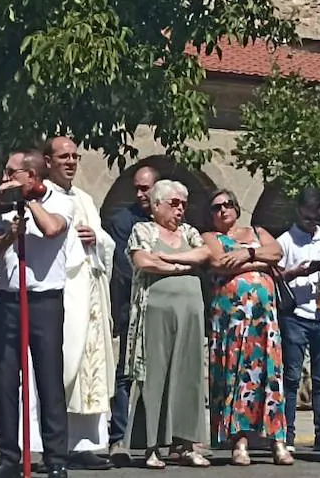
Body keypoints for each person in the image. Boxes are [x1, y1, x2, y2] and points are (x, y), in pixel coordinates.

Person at [0, 149, 72, 478]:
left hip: (44, 301)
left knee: (49, 379)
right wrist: (10, 235)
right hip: (8, 300)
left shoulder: (61, 201)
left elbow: (51, 229)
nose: (4, 178)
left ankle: (56, 458)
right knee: (5, 379)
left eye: (11, 172)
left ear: (31, 177)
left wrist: (29, 202)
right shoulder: (2, 205)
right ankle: (8, 455)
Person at [125, 180, 211, 468]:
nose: (180, 210)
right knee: (154, 376)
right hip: (155, 313)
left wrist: (170, 258)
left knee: (189, 376)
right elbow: (143, 261)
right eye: (174, 203)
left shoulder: (189, 232)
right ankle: (151, 446)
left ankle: (185, 444)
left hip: (190, 313)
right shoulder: (143, 230)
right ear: (157, 204)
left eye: (183, 204)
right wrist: (180, 266)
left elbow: (204, 254)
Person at [203, 189, 290, 466]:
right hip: (232, 320)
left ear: (237, 208)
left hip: (264, 320)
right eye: (216, 208)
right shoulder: (210, 238)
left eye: (228, 204)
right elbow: (219, 263)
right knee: (235, 373)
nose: (223, 210)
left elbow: (276, 252)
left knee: (270, 374)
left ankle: (277, 441)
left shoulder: (257, 230)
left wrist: (244, 253)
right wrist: (258, 260)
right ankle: (239, 442)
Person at [44, 137, 114, 470]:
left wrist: (96, 239)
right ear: (48, 161)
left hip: (90, 293)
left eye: (75, 156)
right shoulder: (43, 196)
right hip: (64, 294)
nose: (71, 162)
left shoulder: (85, 197)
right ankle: (51, 444)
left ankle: (83, 444)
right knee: (62, 367)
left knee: (90, 369)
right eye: (63, 156)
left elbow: (104, 240)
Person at [104, 166, 157, 464]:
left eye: (146, 188)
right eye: (137, 188)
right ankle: (118, 438)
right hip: (131, 308)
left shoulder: (172, 221)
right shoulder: (123, 221)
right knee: (125, 373)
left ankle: (160, 438)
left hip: (163, 308)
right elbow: (126, 265)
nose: (141, 194)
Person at [277, 187, 320, 451]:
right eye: (308, 218)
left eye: (316, 218)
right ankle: (287, 434)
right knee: (292, 377)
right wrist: (295, 272)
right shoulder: (285, 240)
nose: (312, 224)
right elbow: (275, 278)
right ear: (298, 212)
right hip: (296, 315)